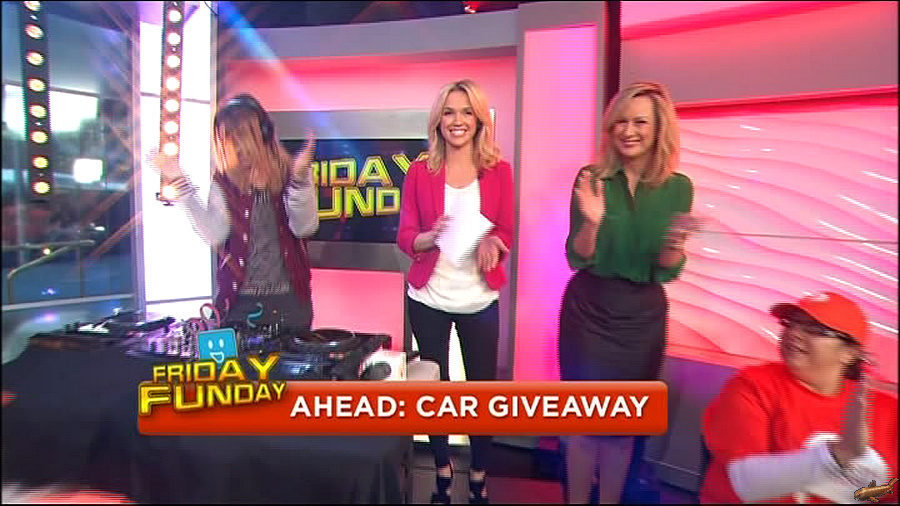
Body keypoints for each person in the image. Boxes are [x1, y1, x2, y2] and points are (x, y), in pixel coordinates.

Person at [558, 81, 695, 503]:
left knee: (622, 427)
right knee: (583, 424)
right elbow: (578, 257)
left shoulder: (679, 187)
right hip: (589, 311)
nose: (628, 131)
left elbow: (666, 267)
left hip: (642, 318)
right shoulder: (592, 178)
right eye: (621, 122)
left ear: (659, 129)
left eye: (640, 122)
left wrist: (675, 244)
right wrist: (593, 222)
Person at [396, 79, 514, 504]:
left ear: (479, 120)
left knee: (481, 391)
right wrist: (427, 238)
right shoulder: (420, 172)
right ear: (438, 121)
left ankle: (479, 469)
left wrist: (493, 242)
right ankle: (442, 465)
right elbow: (405, 235)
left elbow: (506, 230)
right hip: (428, 297)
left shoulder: (499, 171)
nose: (457, 120)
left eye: (466, 112)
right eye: (449, 112)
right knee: (435, 388)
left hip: (479, 299)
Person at [700, 291, 898, 504]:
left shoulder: (887, 410)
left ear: (849, 353)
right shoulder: (753, 385)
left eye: (814, 329)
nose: (793, 333)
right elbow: (749, 482)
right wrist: (838, 455)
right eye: (791, 323)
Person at [148, 94, 318, 330]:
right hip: (237, 305)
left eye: (242, 138)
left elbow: (304, 227)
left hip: (289, 305)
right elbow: (215, 234)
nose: (238, 148)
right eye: (229, 140)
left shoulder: (290, 174)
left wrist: (299, 181)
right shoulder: (224, 182)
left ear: (263, 135)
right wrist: (180, 182)